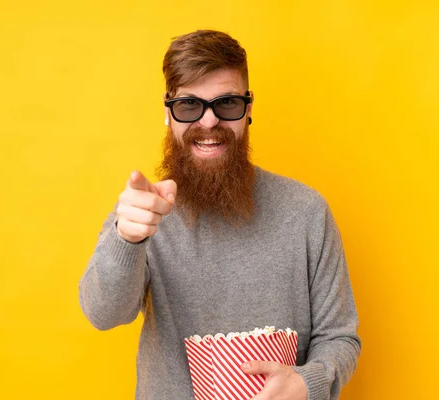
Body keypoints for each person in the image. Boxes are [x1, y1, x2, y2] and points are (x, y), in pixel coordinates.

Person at [79, 30, 361, 400]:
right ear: (168, 113)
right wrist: (126, 239)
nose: (209, 122)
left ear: (248, 109)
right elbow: (103, 313)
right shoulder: (142, 213)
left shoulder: (306, 212)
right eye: (189, 105)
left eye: (227, 103)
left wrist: (307, 383)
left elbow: (340, 337)